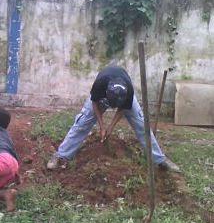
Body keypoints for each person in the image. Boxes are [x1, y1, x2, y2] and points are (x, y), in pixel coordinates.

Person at [47, 65, 181, 173]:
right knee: (82, 121)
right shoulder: (100, 84)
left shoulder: (128, 91)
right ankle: (61, 155)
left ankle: (160, 159)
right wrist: (102, 126)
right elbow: (94, 103)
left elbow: (123, 109)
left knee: (141, 124)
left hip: (124, 93)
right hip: (100, 95)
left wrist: (110, 127)